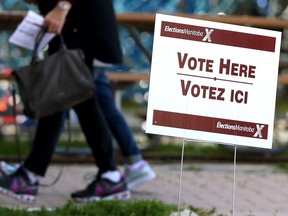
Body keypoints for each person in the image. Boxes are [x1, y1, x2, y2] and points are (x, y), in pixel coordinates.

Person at [0, 0, 131, 203]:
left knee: (77, 99)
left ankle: (109, 175)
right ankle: (32, 174)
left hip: (78, 26)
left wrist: (62, 6)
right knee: (66, 98)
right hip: (72, 26)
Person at [93, 66, 156, 190]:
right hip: (88, 63)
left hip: (85, 61)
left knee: (102, 108)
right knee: (101, 108)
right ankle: (125, 165)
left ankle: (113, 172)